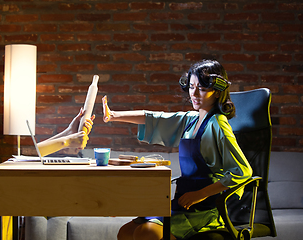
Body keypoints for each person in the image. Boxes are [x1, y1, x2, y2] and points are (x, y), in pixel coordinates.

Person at [102, 59, 253, 240]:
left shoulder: (219, 124)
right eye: (191, 87)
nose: (194, 94)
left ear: (217, 91)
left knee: (146, 233)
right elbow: (156, 118)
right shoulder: (191, 119)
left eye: (203, 89)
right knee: (125, 233)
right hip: (182, 202)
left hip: (205, 208)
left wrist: (200, 194)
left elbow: (243, 171)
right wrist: (114, 115)